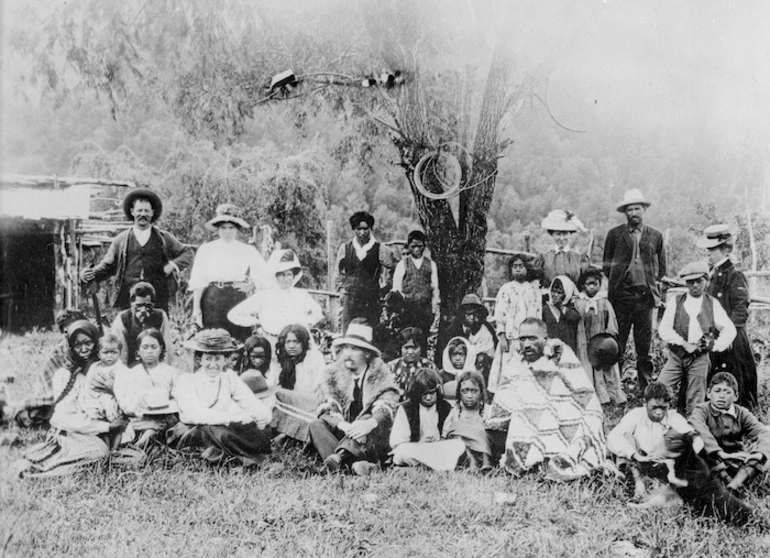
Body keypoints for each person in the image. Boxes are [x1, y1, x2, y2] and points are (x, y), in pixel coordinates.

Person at [485, 318, 607, 481]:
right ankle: (531, 462)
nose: (527, 344)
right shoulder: (516, 361)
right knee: (519, 419)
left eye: (532, 338)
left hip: (562, 417)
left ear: (545, 339)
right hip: (525, 417)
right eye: (522, 339)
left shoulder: (561, 354)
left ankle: (547, 462)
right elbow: (505, 397)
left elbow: (583, 393)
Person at [15, 321, 111, 478]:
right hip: (73, 430)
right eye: (78, 344)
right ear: (71, 347)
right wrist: (106, 426)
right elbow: (67, 417)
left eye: (88, 343)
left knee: (126, 456)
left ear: (96, 342)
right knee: (98, 453)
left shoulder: (103, 368)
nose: (84, 349)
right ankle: (42, 474)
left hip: (98, 430)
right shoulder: (64, 375)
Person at [169, 329, 274, 466]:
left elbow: (250, 402)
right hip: (193, 430)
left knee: (262, 429)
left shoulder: (229, 378)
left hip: (220, 427)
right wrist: (233, 418)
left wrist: (262, 416)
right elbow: (192, 415)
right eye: (208, 359)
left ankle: (235, 453)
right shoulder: (187, 380)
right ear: (199, 359)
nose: (213, 365)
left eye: (218, 359)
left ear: (225, 359)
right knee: (221, 433)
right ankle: (252, 460)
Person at [80, 188, 194, 313]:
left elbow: (188, 253)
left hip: (157, 299)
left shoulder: (164, 238)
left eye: (146, 211)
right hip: (128, 299)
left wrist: (171, 266)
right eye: (139, 210)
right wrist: (90, 274)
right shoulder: (121, 240)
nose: (143, 214)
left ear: (152, 213)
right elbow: (108, 266)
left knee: (155, 331)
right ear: (132, 212)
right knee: (128, 330)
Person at [309, 320, 399, 476]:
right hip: (346, 431)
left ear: (367, 353)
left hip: (371, 438)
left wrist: (369, 423)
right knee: (315, 425)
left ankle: (339, 461)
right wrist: (343, 425)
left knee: (366, 417)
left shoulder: (380, 373)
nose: (348, 353)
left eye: (354, 348)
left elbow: (388, 404)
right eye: (345, 348)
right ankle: (351, 466)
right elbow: (325, 408)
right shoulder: (332, 374)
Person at [603, 188, 667, 393]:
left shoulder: (655, 235)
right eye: (630, 209)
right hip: (621, 296)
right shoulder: (615, 235)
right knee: (617, 342)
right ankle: (615, 386)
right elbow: (606, 265)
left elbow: (662, 268)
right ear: (625, 213)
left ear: (644, 210)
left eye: (637, 208)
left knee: (644, 345)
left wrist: (648, 284)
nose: (634, 213)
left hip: (644, 298)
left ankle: (645, 386)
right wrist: (620, 282)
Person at [658, 262, 736, 417]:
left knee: (696, 398)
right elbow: (664, 329)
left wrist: (714, 346)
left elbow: (729, 329)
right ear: (685, 283)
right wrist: (683, 343)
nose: (695, 285)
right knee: (660, 388)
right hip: (677, 356)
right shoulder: (676, 301)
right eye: (690, 282)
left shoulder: (712, 303)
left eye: (699, 281)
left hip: (699, 358)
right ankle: (657, 422)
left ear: (706, 281)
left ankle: (693, 431)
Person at [188, 204, 273, 340]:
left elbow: (266, 274)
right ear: (217, 229)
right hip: (212, 299)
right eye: (223, 228)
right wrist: (196, 308)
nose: (227, 232)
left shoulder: (247, 250)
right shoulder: (206, 249)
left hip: (235, 298)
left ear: (237, 229)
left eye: (231, 228)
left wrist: (251, 285)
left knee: (237, 339)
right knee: (212, 339)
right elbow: (198, 280)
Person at [607, 382, 700, 501]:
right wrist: (636, 455)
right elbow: (613, 436)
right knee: (626, 437)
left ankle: (658, 487)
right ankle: (638, 482)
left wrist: (673, 458)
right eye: (654, 407)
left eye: (664, 408)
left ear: (669, 405)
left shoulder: (674, 418)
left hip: (664, 464)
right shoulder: (636, 414)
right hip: (639, 459)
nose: (659, 412)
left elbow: (696, 441)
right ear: (645, 403)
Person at [698, 224, 758, 408]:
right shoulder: (713, 274)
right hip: (715, 334)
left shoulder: (734, 275)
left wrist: (728, 335)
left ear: (725, 250)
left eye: (713, 249)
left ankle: (741, 410)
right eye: (708, 249)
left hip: (733, 336)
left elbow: (740, 309)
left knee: (735, 375)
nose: (709, 253)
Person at [689, 372, 770, 492]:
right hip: (712, 459)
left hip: (737, 459)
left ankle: (733, 486)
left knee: (767, 440)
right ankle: (728, 484)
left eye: (727, 392)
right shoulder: (702, 410)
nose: (722, 396)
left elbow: (762, 432)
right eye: (717, 391)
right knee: (695, 442)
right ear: (708, 393)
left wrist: (759, 453)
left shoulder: (742, 413)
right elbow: (699, 428)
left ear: (736, 396)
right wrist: (720, 453)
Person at [227, 249, 324, 344]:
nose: (285, 279)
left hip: (297, 344)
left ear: (294, 276)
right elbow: (233, 314)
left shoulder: (301, 295)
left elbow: (317, 312)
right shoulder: (264, 296)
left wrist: (304, 323)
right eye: (281, 275)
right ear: (275, 276)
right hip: (272, 342)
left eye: (289, 274)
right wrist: (258, 322)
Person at [12, 309, 88, 427]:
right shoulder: (58, 353)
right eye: (67, 332)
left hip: (91, 397)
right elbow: (48, 389)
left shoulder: (95, 345)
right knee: (37, 412)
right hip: (64, 398)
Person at [113, 328, 181, 449]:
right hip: (141, 417)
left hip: (165, 416)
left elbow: (179, 397)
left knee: (167, 422)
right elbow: (127, 403)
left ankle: (141, 444)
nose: (149, 351)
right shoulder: (131, 374)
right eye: (145, 347)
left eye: (153, 347)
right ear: (138, 351)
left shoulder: (172, 372)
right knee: (131, 423)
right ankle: (145, 439)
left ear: (161, 348)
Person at [389, 368, 465, 471]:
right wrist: (420, 443)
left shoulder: (446, 408)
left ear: (437, 390)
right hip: (416, 449)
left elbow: (450, 436)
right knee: (401, 452)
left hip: (437, 449)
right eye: (424, 394)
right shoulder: (407, 408)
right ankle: (433, 468)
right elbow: (398, 442)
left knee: (458, 445)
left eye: (432, 393)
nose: (428, 398)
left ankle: (418, 468)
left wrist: (438, 441)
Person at [335, 211, 397, 332]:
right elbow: (337, 273)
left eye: (365, 229)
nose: (362, 232)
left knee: (370, 334)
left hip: (371, 300)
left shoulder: (380, 249)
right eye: (358, 229)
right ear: (353, 229)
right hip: (350, 300)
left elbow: (395, 267)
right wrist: (342, 290)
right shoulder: (345, 248)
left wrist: (387, 287)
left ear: (370, 229)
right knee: (348, 334)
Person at [575, 267, 626, 406]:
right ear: (583, 286)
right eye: (588, 284)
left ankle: (610, 395)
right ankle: (592, 396)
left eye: (595, 284)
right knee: (588, 365)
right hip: (585, 341)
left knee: (606, 367)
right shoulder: (579, 303)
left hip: (601, 340)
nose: (592, 287)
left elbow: (611, 321)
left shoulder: (603, 302)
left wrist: (609, 337)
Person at [269, 324, 325, 442]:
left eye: (296, 341)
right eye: (288, 342)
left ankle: (289, 435)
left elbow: (319, 388)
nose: (291, 346)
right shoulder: (279, 361)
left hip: (308, 403)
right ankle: (284, 433)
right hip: (286, 404)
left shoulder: (313, 358)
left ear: (304, 343)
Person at [391, 230, 439, 344]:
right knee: (407, 341)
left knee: (422, 342)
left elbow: (435, 289)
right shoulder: (403, 264)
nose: (417, 249)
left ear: (424, 246)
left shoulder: (431, 264)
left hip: (424, 311)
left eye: (420, 246)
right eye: (413, 246)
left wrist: (433, 310)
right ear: (409, 247)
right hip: (407, 311)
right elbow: (396, 289)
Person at [110, 282, 173, 367]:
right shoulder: (122, 318)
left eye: (148, 306)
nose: (143, 310)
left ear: (153, 304)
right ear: (131, 304)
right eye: (139, 306)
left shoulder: (160, 316)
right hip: (131, 367)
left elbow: (167, 347)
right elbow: (120, 352)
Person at [443, 370, 493, 470]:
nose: (469, 396)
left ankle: (486, 462)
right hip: (463, 449)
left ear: (481, 392)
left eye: (474, 391)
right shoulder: (456, 411)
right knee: (457, 433)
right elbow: (445, 432)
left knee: (482, 430)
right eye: (465, 391)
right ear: (459, 393)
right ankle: (470, 461)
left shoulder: (486, 410)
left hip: (482, 448)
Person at [79, 333, 128, 428]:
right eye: (106, 352)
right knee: (91, 411)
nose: (110, 356)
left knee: (113, 413)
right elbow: (88, 383)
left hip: (111, 398)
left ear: (119, 353)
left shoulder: (120, 368)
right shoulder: (95, 366)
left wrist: (113, 388)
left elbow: (124, 389)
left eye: (114, 352)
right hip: (94, 397)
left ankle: (115, 435)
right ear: (99, 354)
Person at [533, 209, 590, 286]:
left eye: (565, 234)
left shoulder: (579, 258)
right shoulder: (544, 257)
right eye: (558, 234)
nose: (562, 238)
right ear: (552, 235)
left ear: (570, 234)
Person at [438, 294, 497, 361]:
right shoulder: (453, 329)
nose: (472, 317)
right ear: (463, 314)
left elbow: (494, 349)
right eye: (469, 314)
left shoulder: (487, 328)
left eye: (475, 314)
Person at [387, 327, 437, 396]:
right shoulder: (391, 367)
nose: (410, 352)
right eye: (406, 348)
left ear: (421, 348)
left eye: (414, 347)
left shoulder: (429, 366)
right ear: (401, 348)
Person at [542, 276, 583, 356]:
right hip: (551, 349)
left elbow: (574, 318)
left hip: (568, 347)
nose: (555, 295)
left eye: (559, 293)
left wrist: (561, 306)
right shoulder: (546, 309)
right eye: (553, 291)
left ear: (566, 294)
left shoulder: (570, 308)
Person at [373, 291, 408, 363]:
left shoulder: (407, 329)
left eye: (394, 310)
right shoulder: (381, 328)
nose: (390, 313)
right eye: (388, 310)